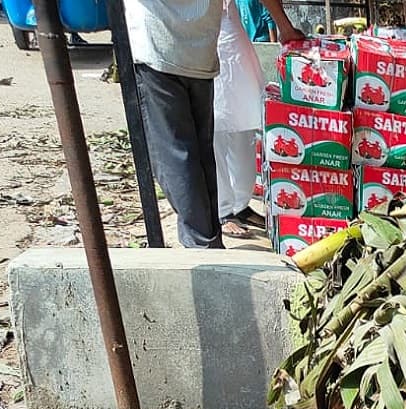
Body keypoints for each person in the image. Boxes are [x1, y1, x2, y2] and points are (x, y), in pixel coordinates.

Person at [123, 0, 302, 248]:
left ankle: (202, 243)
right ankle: (212, 233)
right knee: (203, 150)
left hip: (158, 47)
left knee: (177, 154)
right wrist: (284, 26)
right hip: (202, 51)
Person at [213, 0, 268, 238]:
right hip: (204, 39)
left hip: (231, 35)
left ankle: (240, 205)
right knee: (216, 130)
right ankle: (223, 212)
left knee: (245, 125)